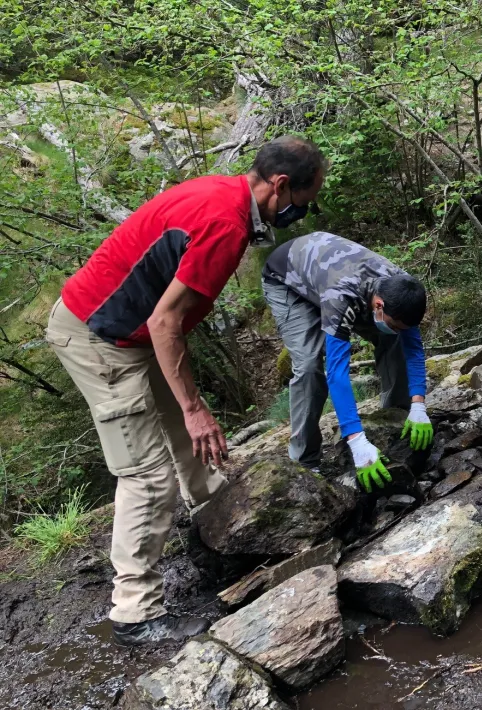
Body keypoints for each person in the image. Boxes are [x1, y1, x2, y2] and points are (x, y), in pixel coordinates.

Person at [46, 136, 327, 646]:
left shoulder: (222, 192)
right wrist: (197, 408)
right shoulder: (225, 225)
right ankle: (135, 613)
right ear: (280, 186)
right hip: (99, 336)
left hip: (132, 331)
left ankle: (215, 519)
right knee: (149, 476)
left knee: (184, 431)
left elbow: (163, 319)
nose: (300, 215)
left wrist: (189, 410)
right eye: (302, 204)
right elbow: (166, 321)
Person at [261, 232, 432, 491]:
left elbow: (414, 349)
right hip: (286, 280)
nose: (399, 328)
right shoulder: (341, 298)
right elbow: (337, 374)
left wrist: (418, 404)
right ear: (378, 305)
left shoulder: (401, 289)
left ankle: (396, 417)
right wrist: (356, 441)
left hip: (326, 273)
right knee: (308, 365)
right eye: (394, 323)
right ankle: (305, 462)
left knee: (394, 339)